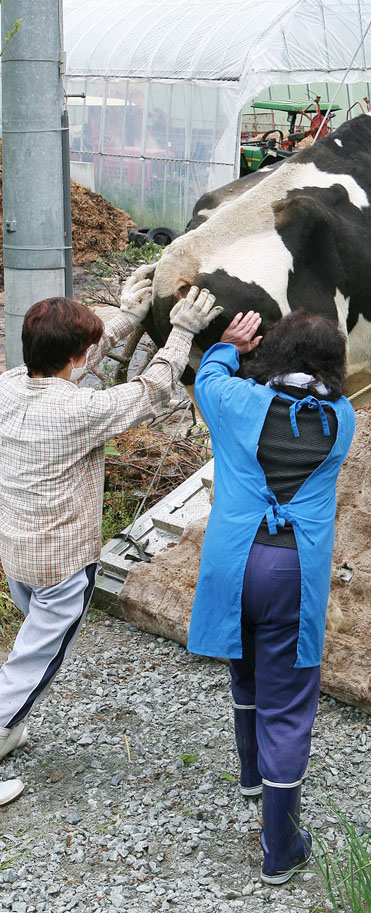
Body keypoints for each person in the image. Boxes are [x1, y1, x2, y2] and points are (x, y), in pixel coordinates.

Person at [0, 270, 222, 802]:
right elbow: (152, 390)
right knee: (34, 661)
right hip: (61, 568)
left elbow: (75, 368)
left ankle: (8, 726)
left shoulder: (8, 385)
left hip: (16, 550)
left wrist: (125, 316)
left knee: (30, 647)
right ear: (76, 356)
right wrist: (183, 330)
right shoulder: (80, 412)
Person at [187, 309, 356, 886]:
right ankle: (279, 848)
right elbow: (315, 405)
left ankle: (251, 775)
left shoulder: (234, 403)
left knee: (245, 664)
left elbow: (207, 379)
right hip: (293, 571)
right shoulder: (343, 421)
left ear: (274, 355)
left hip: (234, 564)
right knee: (288, 705)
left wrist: (231, 345)